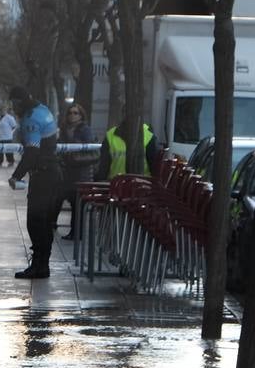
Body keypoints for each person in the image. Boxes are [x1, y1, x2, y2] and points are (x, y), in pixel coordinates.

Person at [9, 86, 62, 279]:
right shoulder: (43, 109)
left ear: (18, 102)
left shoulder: (31, 118)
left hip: (43, 175)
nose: (13, 107)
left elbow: (31, 152)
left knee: (35, 222)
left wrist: (16, 175)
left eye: (13, 103)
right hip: (51, 173)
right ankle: (42, 265)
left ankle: (39, 265)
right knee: (44, 222)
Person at [58, 102, 97, 240]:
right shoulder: (63, 129)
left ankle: (77, 232)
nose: (72, 115)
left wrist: (74, 156)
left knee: (77, 204)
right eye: (70, 112)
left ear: (81, 115)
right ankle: (64, 228)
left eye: (76, 113)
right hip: (67, 171)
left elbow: (90, 149)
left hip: (81, 172)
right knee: (62, 199)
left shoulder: (85, 130)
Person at [95, 113, 158, 180]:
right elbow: (103, 169)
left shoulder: (148, 136)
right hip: (117, 186)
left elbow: (154, 168)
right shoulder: (110, 136)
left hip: (139, 186)